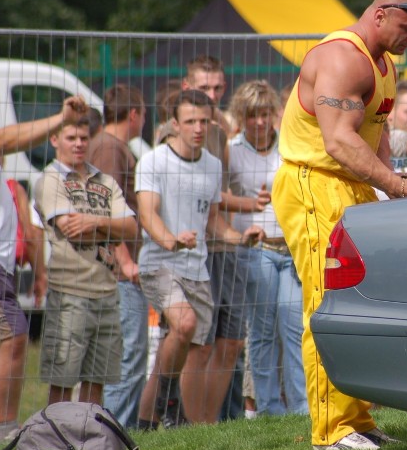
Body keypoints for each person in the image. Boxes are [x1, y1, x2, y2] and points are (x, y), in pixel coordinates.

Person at [272, 0, 407, 450]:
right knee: (327, 306)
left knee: (358, 305)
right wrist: (397, 186)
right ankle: (330, 432)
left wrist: (393, 186)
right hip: (313, 185)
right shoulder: (342, 57)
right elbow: (338, 141)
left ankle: (356, 421)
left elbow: (372, 135)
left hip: (350, 187)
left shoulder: (384, 67)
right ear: (380, 15)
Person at [0, 62, 88, 442]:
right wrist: (60, 118)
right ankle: (6, 435)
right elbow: (4, 142)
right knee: (12, 336)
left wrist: (38, 270)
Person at [135, 89, 263, 429]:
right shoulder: (154, 160)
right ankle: (173, 407)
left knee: (198, 349)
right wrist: (171, 240)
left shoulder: (212, 165)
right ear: (174, 123)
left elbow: (213, 222)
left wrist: (240, 237)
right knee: (186, 325)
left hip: (196, 268)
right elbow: (147, 214)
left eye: (204, 120)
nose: (198, 128)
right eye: (190, 121)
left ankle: (151, 420)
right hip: (159, 263)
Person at [35, 115, 137, 405]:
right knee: (63, 379)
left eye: (83, 138)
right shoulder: (50, 179)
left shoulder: (104, 181)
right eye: (71, 138)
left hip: (106, 291)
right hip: (69, 292)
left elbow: (131, 227)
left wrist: (92, 220)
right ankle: (57, 438)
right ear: (55, 140)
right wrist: (109, 224)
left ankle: (89, 438)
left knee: (97, 380)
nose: (79, 144)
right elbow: (71, 230)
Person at [228, 80, 307, 417]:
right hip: (255, 250)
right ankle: (269, 407)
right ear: (241, 117)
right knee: (261, 330)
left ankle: (302, 406)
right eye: (251, 115)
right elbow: (219, 198)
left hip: (291, 251)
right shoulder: (231, 152)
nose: (259, 122)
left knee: (294, 326)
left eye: (265, 114)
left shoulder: (289, 147)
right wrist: (245, 208)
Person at [86, 84, 149, 429]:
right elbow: (106, 206)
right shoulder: (111, 149)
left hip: (113, 269)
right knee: (128, 357)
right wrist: (124, 261)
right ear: (135, 114)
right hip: (117, 273)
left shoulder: (108, 145)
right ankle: (114, 432)